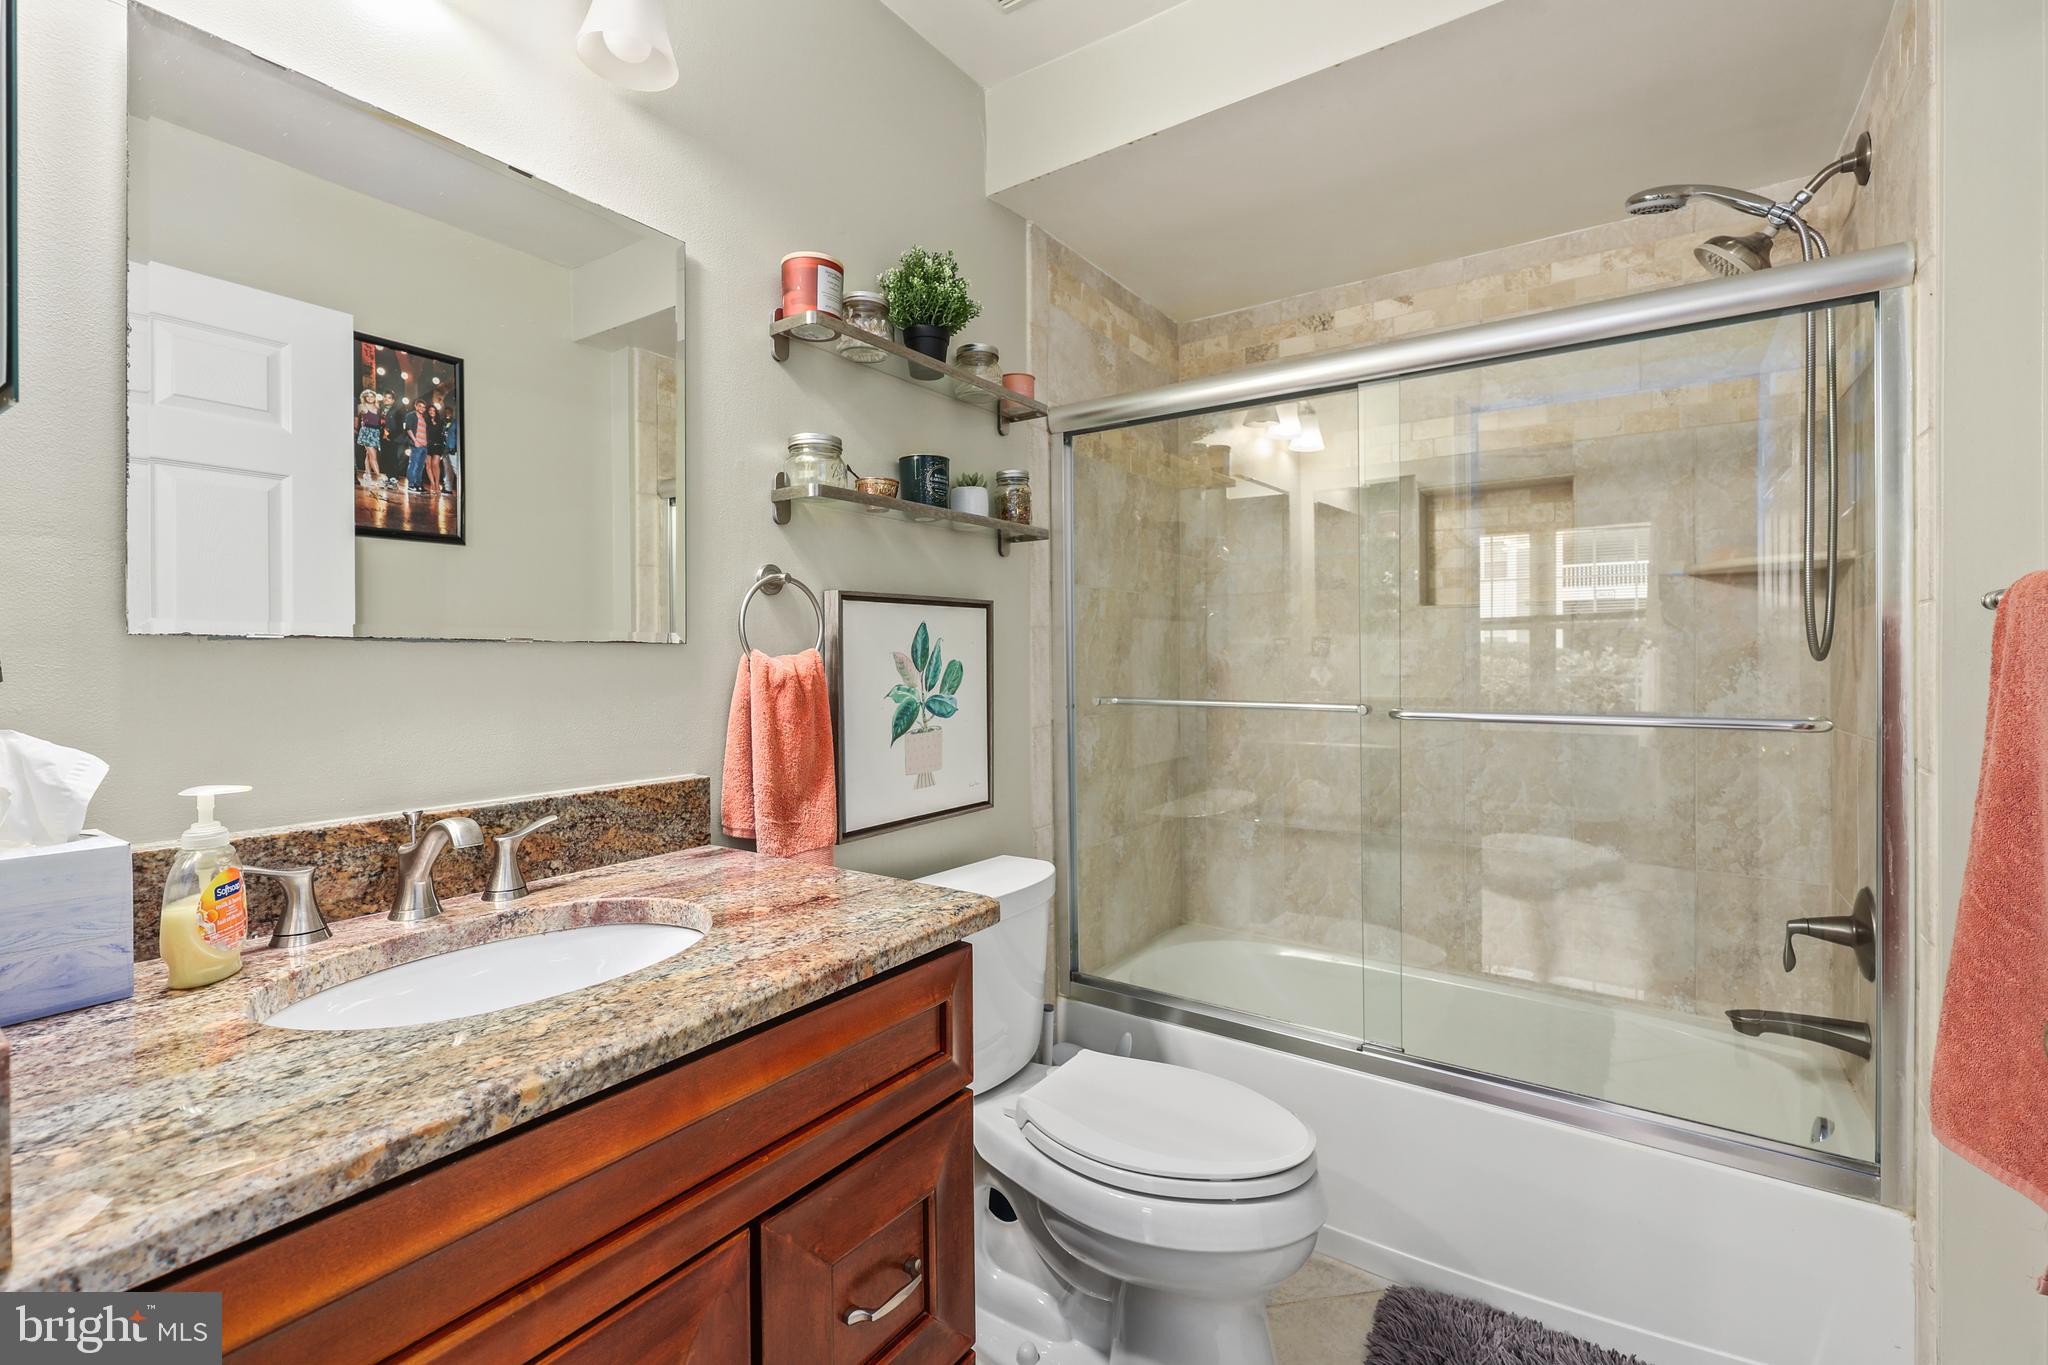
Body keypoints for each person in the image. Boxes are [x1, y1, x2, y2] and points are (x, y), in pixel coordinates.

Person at [355, 389, 385, 487]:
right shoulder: (361, 406)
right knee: (373, 456)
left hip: (375, 432)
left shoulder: (377, 407)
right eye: (367, 396)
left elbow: (380, 421)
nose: (370, 398)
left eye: (372, 396)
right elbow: (355, 417)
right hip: (366, 432)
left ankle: (367, 474)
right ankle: (379, 477)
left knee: (369, 454)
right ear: (364, 397)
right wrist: (356, 427)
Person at [405, 399, 431, 493]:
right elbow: (408, 429)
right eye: (420, 406)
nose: (422, 408)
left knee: (421, 466)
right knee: (413, 464)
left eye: (423, 407)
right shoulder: (411, 415)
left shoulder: (424, 418)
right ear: (416, 406)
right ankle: (411, 485)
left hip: (424, 445)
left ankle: (418, 484)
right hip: (416, 444)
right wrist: (415, 441)